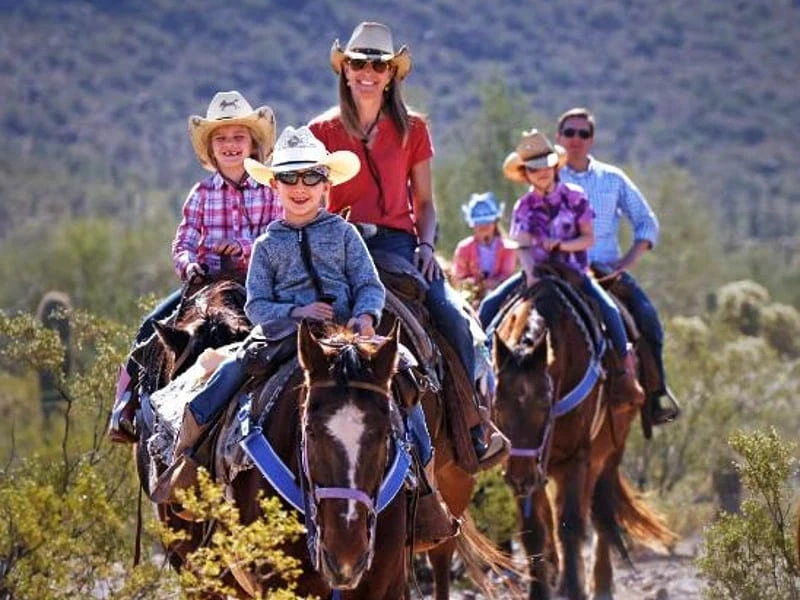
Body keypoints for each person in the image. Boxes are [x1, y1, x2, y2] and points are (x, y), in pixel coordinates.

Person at [170, 126, 456, 545]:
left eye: (309, 177)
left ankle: (427, 487)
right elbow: (255, 306)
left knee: (408, 378)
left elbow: (368, 284)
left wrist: (364, 315)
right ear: (275, 186)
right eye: (288, 178)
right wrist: (294, 312)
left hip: (344, 334)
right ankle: (188, 460)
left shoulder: (343, 234)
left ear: (326, 184)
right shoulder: (267, 244)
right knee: (226, 375)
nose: (299, 187)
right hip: (282, 336)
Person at [309, 21, 508, 469]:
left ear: (390, 73)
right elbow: (310, 199)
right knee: (281, 322)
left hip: (399, 245)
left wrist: (426, 244)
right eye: (358, 63)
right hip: (340, 245)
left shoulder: (413, 128)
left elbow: (426, 203)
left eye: (377, 65)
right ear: (345, 70)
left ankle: (474, 424)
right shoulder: (320, 131)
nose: (367, 72)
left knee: (457, 321)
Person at [108, 90, 281, 443]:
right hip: (205, 285)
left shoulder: (269, 191)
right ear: (211, 149)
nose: (230, 145)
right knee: (149, 327)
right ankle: (125, 406)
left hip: (256, 284)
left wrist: (246, 249)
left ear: (251, 143)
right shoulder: (201, 193)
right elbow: (183, 241)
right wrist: (189, 266)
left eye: (238, 137)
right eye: (222, 139)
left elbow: (276, 236)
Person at [480, 129, 641, 396]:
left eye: (545, 166)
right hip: (537, 272)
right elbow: (522, 247)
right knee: (488, 305)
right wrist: (531, 276)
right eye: (533, 169)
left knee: (610, 309)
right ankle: (480, 367)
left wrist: (563, 245)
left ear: (555, 166)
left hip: (574, 272)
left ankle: (624, 371)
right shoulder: (523, 206)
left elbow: (588, 239)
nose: (541, 173)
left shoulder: (575, 196)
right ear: (525, 174)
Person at [555, 107, 679, 425]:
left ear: (592, 139)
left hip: (606, 271)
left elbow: (646, 223)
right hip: (557, 269)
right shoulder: (549, 176)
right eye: (569, 132)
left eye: (583, 133)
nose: (575, 139)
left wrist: (626, 262)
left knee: (649, 321)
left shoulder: (613, 179)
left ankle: (655, 397)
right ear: (559, 137)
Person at [451, 191, 517, 304]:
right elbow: (458, 278)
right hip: (471, 299)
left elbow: (507, 277)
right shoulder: (463, 248)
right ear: (472, 224)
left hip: (502, 297)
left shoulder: (508, 248)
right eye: (479, 223)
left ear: (494, 222)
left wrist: (490, 284)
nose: (483, 226)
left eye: (487, 222)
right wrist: (474, 285)